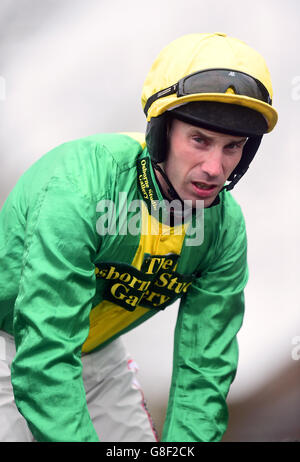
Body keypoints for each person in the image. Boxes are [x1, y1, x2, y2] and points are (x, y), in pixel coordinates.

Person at [0, 32, 278, 442]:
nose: (215, 168)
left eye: (232, 147)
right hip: (15, 346)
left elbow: (203, 371)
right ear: (161, 132)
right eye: (199, 140)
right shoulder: (79, 188)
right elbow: (44, 353)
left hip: (99, 355)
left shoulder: (225, 226)